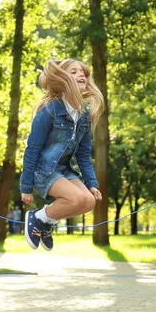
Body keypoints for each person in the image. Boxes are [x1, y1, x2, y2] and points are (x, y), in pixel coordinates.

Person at [20, 58, 104, 250]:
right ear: (62, 81)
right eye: (73, 72)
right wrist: (26, 186)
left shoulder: (83, 116)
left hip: (64, 170)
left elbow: (83, 155)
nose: (81, 74)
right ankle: (38, 217)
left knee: (88, 201)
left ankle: (47, 222)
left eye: (82, 72)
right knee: (75, 199)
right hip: (43, 171)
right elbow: (31, 150)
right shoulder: (50, 111)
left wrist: (92, 184)